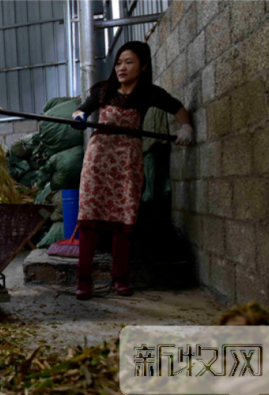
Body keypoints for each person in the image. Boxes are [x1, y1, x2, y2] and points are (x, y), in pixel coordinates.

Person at [70, 41, 193, 300]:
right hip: (99, 159)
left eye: (129, 62)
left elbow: (179, 109)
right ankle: (83, 279)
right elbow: (82, 109)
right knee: (90, 218)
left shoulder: (149, 93)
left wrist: (186, 128)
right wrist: (79, 117)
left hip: (127, 161)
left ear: (143, 65)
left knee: (123, 219)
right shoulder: (103, 90)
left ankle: (120, 277)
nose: (121, 68)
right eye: (118, 62)